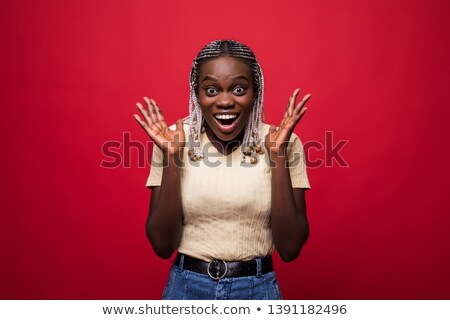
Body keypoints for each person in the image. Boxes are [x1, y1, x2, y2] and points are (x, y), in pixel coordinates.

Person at [133, 39, 311, 300]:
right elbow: (162, 245)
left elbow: (290, 247)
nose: (225, 101)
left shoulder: (283, 142)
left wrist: (277, 156)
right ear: (197, 93)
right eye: (211, 90)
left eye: (239, 89)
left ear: (255, 92)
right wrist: (173, 158)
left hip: (257, 291)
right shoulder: (173, 139)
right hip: (186, 291)